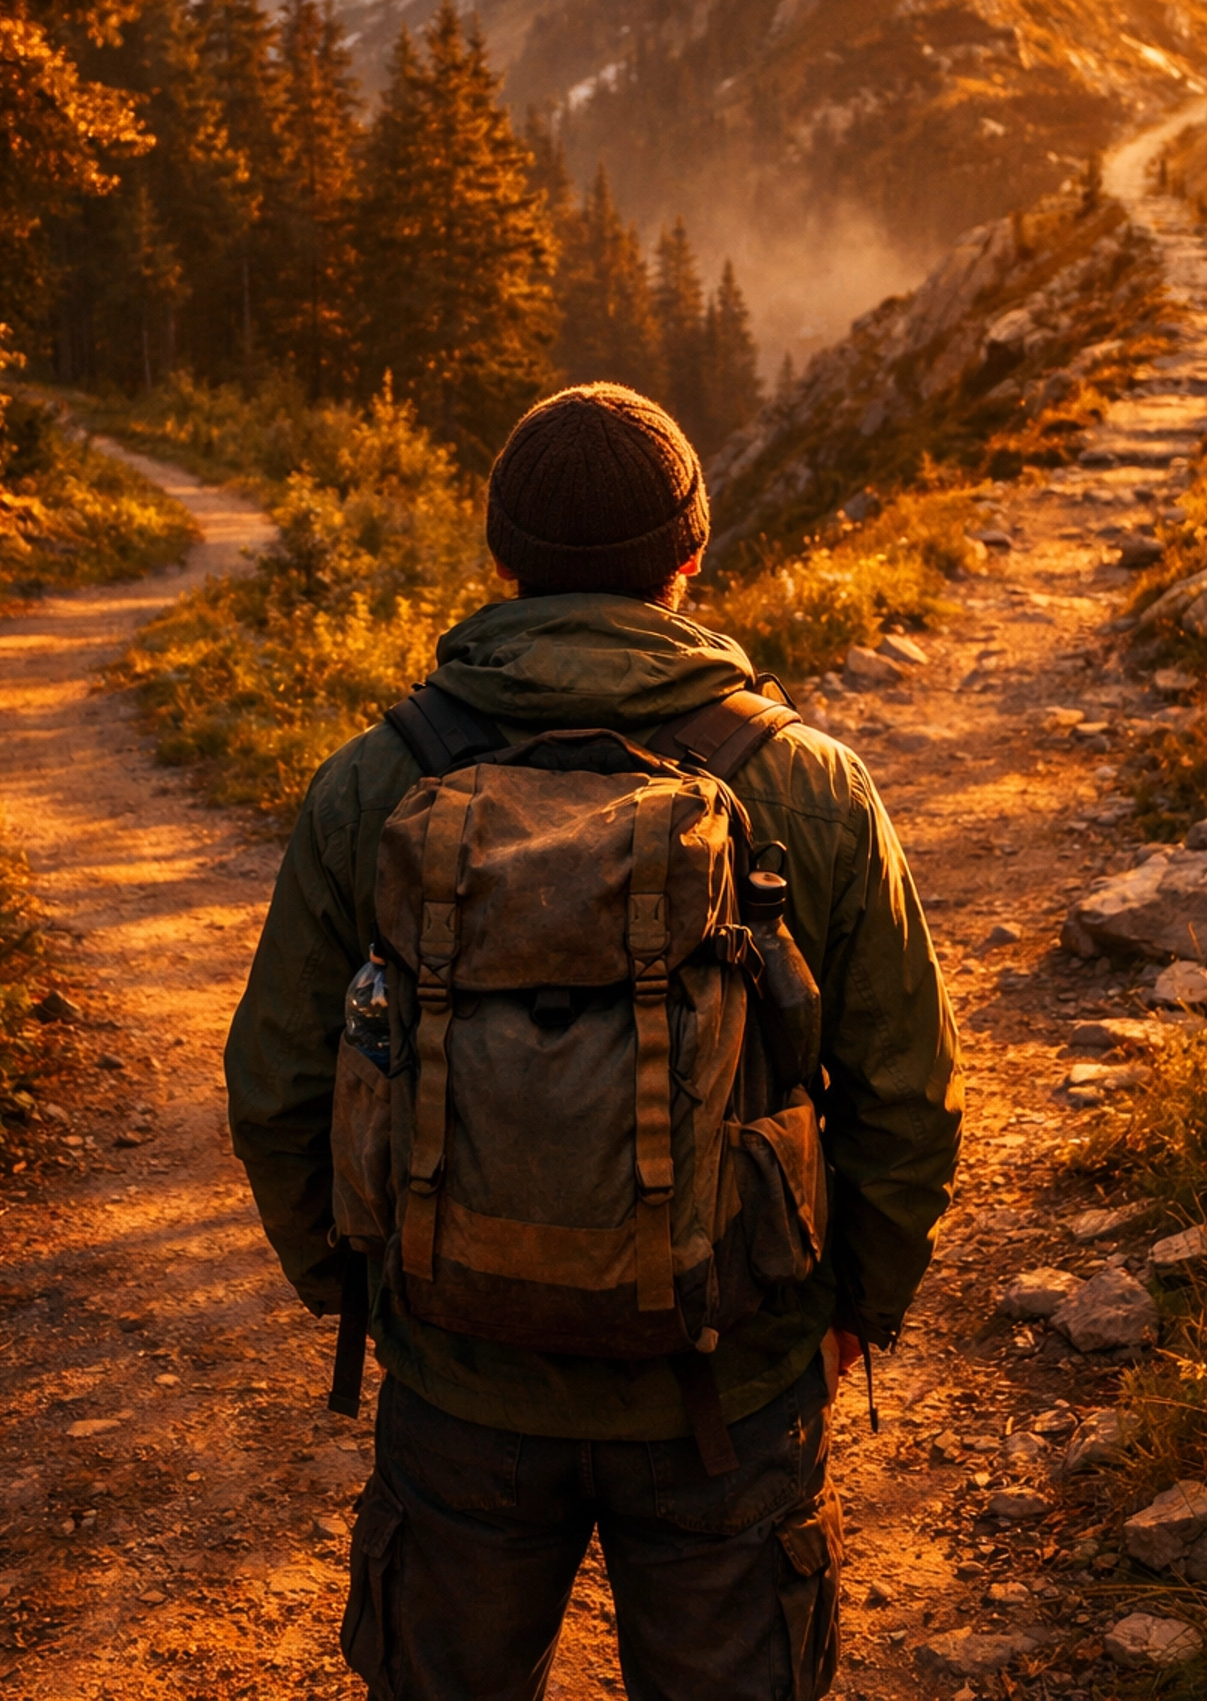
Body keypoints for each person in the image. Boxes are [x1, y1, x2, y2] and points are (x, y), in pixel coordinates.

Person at [225, 383, 962, 1701]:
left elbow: (275, 1081)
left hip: (461, 1385)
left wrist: (369, 1286)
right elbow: (907, 1096)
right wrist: (852, 1309)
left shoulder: (374, 782)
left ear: (499, 564)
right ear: (691, 558)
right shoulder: (808, 784)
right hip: (729, 1397)